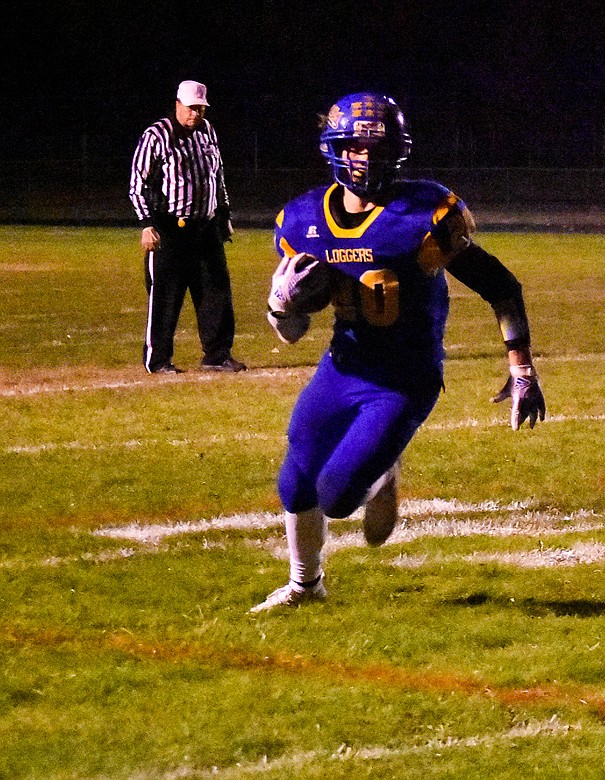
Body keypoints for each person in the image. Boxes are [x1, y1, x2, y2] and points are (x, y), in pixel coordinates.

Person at [251, 92, 546, 612]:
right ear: (335, 149)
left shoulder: (421, 214)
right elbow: (293, 333)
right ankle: (306, 585)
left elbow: (499, 284)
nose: (366, 158)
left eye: (377, 147)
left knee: (339, 496)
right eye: (356, 146)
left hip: (404, 377)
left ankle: (383, 472)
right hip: (342, 366)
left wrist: (521, 369)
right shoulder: (301, 221)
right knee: (295, 478)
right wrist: (279, 308)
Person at [129, 80, 245, 374]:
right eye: (192, 108)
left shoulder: (207, 132)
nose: (196, 114)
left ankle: (217, 355)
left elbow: (216, 177)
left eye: (201, 108)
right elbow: (137, 185)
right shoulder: (157, 136)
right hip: (170, 228)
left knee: (216, 291)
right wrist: (146, 224)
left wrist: (223, 214)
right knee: (165, 296)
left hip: (205, 228)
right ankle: (157, 360)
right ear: (178, 104)